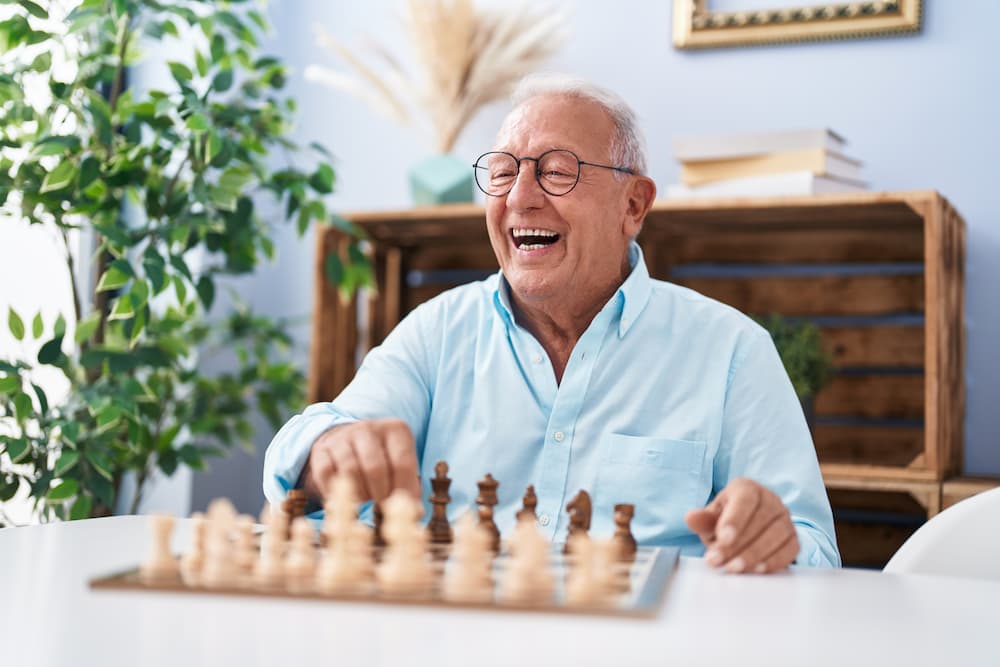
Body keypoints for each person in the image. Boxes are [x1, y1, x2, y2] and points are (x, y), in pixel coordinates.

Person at [264, 74, 840, 573]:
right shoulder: (437, 331)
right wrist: (327, 452)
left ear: (633, 206)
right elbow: (311, 456)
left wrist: (773, 538)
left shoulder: (733, 351)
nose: (519, 197)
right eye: (502, 171)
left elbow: (815, 555)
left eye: (556, 172)